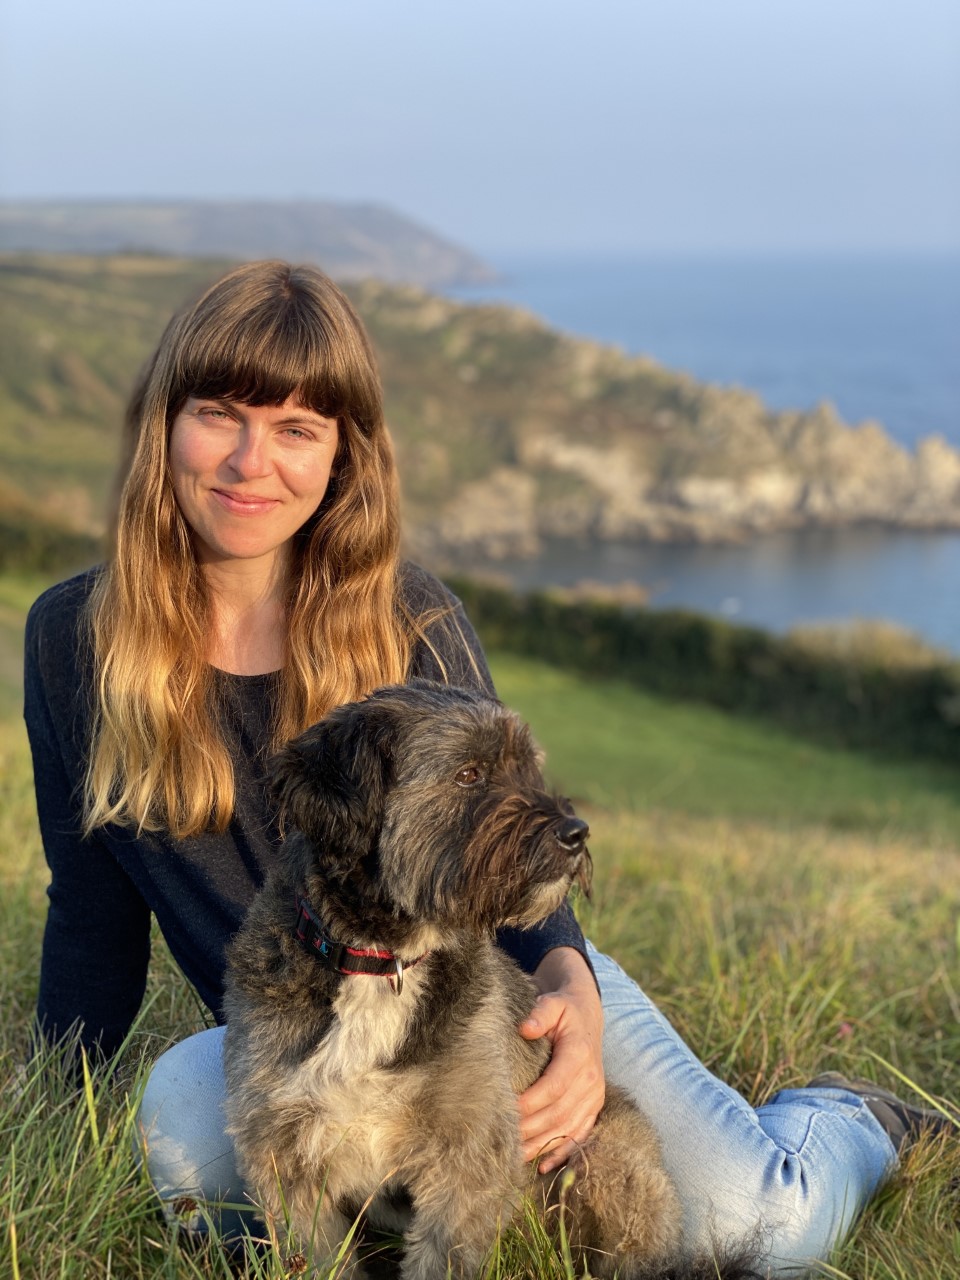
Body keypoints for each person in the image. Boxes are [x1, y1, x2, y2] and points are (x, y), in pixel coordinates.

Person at [24, 260, 948, 1277]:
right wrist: (54, 1111)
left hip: (497, 986)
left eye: (297, 430)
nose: (252, 462)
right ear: (163, 422)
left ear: (342, 454)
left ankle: (846, 1118)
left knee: (762, 1222)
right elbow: (91, 916)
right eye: (220, 415)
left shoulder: (409, 615)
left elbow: (520, 861)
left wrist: (573, 1003)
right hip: (293, 1029)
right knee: (181, 1124)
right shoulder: (73, 639)